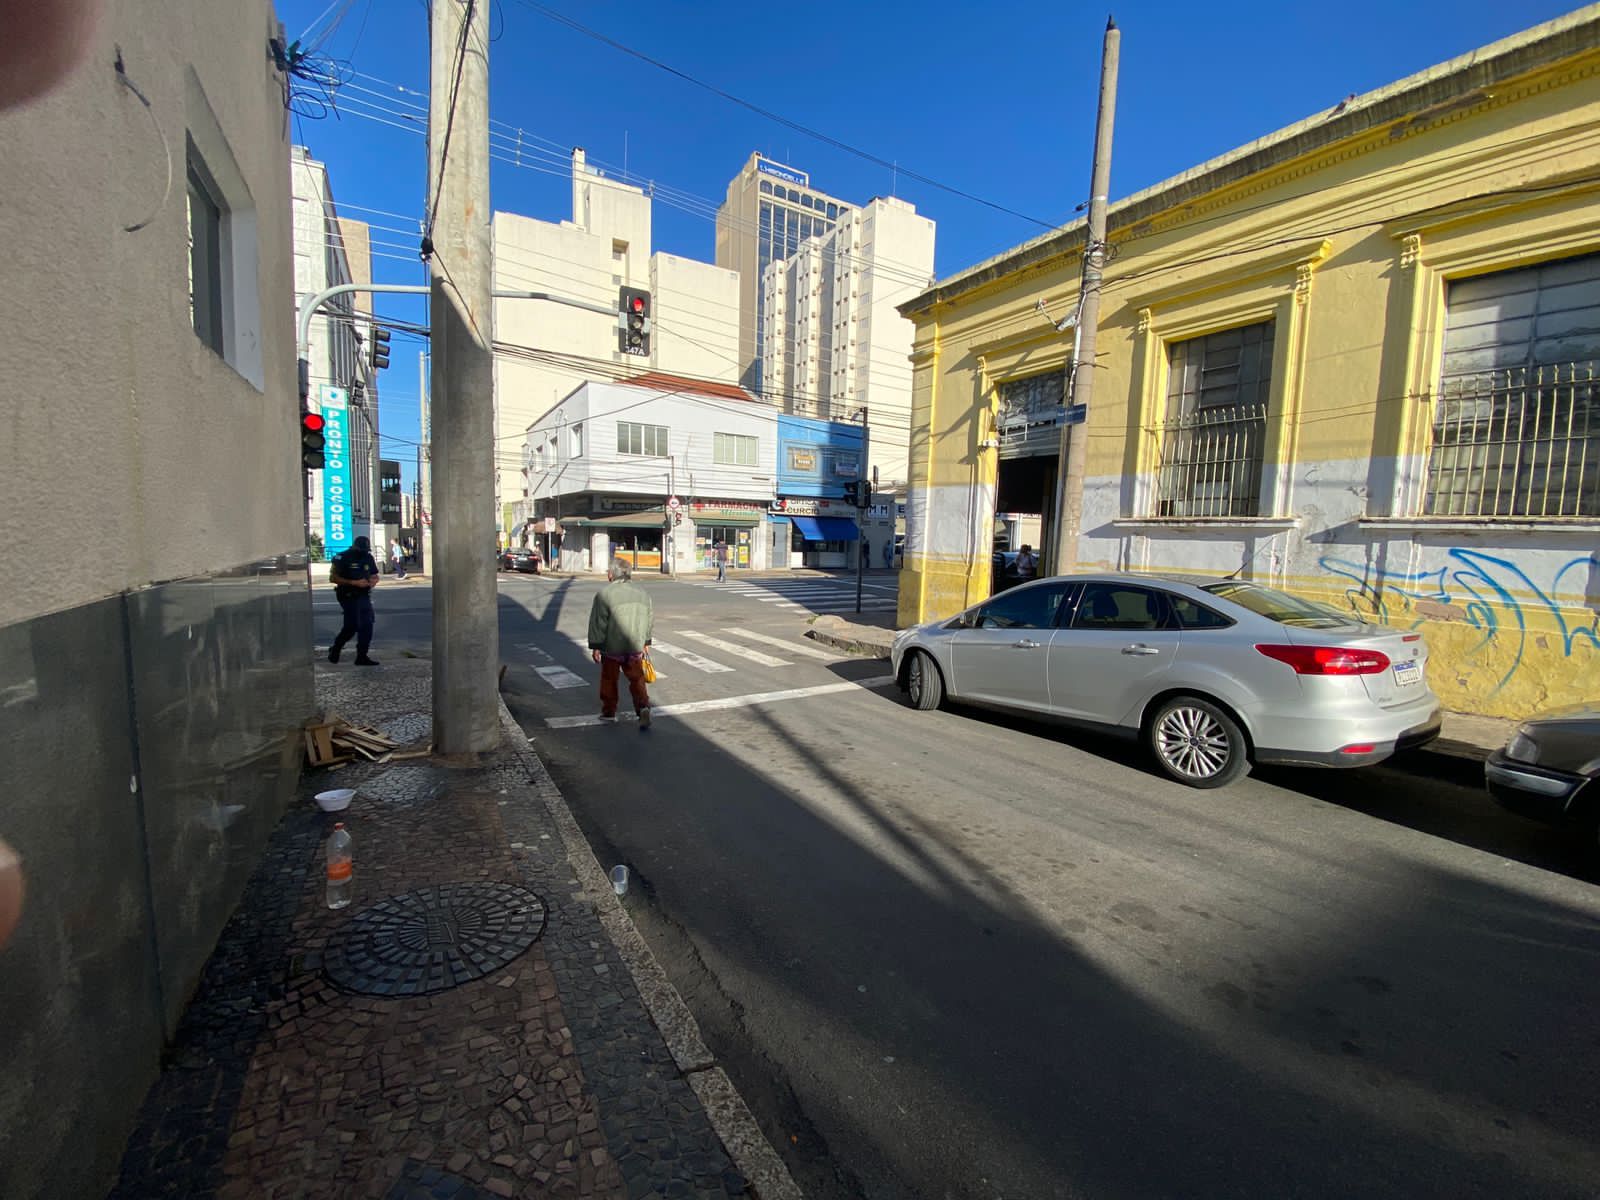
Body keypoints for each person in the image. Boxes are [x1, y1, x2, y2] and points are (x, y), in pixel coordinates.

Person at [587, 559, 654, 727]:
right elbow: (649, 619)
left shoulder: (605, 594)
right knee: (637, 679)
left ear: (612, 574)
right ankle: (643, 707)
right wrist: (646, 642)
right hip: (634, 645)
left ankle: (609, 711)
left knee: (609, 679)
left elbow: (598, 623)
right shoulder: (642, 593)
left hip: (612, 646)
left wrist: (596, 646)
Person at [328, 536, 381, 665]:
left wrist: (373, 581)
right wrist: (354, 582)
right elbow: (333, 578)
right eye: (361, 550)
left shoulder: (368, 557)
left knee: (367, 625)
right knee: (352, 626)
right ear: (355, 546)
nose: (363, 552)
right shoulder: (341, 557)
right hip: (347, 594)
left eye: (366, 550)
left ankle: (362, 656)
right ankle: (336, 648)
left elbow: (374, 574)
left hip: (364, 594)